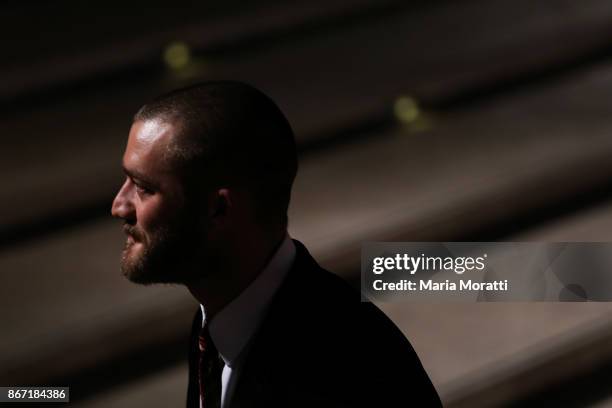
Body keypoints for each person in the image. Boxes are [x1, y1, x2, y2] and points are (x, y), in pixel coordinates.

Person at [111, 81, 441, 407]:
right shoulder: (217, 324)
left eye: (143, 187)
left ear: (219, 209)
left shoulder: (350, 373)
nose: (119, 206)